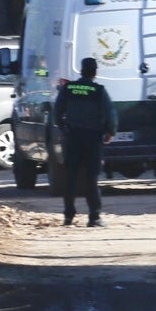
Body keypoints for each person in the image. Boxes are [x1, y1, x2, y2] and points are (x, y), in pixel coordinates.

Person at [53, 56, 116, 227]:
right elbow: (110, 113)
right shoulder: (99, 90)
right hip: (92, 139)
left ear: (81, 71)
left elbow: (57, 111)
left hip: (72, 137)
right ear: (95, 73)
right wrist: (110, 131)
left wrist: (63, 128)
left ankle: (68, 216)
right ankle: (94, 217)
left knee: (71, 176)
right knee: (91, 177)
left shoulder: (69, 88)